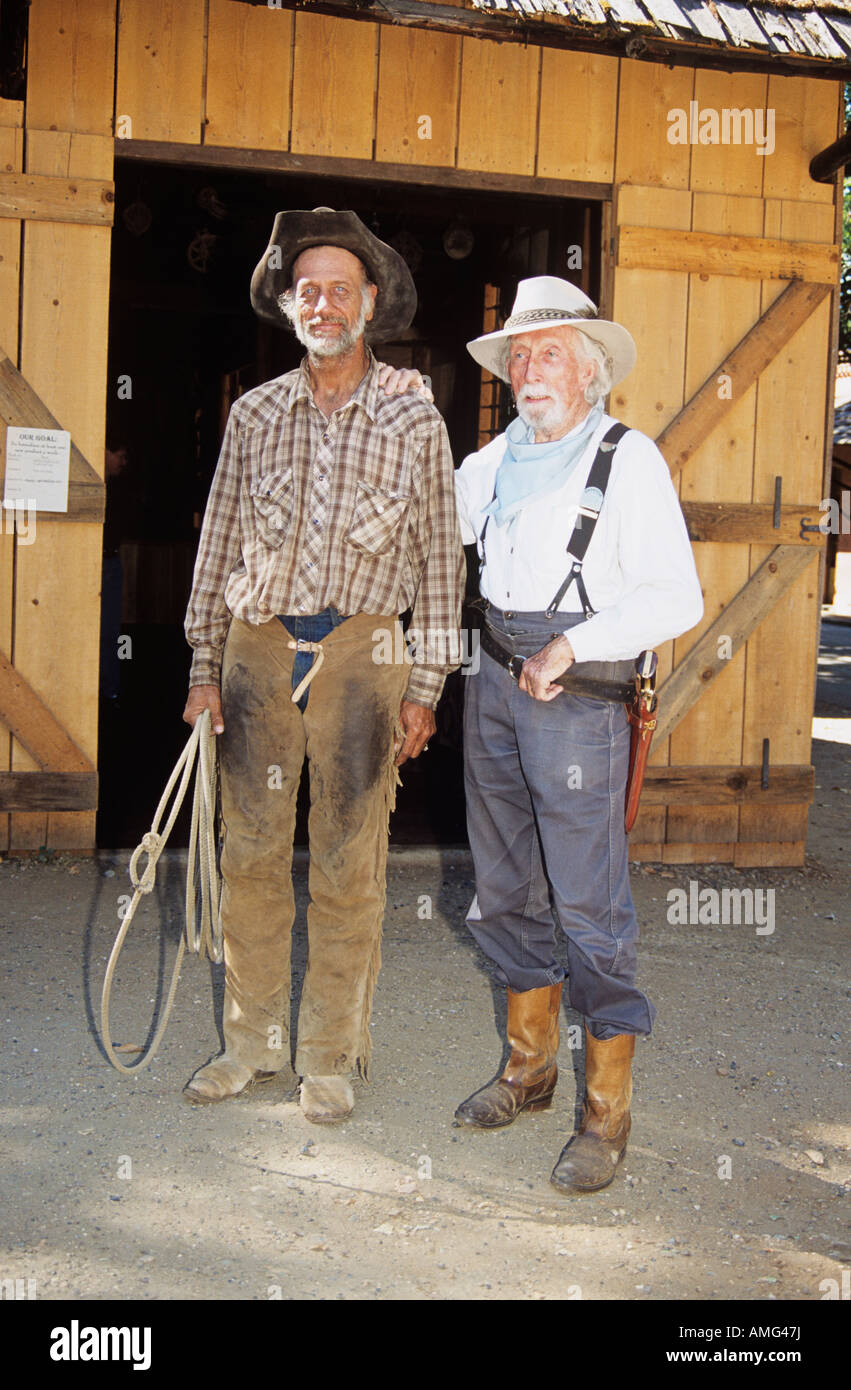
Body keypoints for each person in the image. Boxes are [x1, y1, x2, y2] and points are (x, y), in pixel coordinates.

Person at [182, 208, 465, 1121]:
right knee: (252, 852)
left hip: (364, 651)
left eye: (341, 288)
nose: (324, 302)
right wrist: (200, 663)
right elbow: (217, 538)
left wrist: (426, 684)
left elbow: (441, 560)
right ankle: (249, 1043)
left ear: (371, 304)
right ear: (289, 305)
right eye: (309, 289)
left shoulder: (415, 417)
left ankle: (330, 1056)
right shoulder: (254, 415)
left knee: (348, 858)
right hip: (257, 651)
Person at [453, 276, 704, 1192]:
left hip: (581, 699)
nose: (528, 368)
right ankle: (527, 1068)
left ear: (590, 372)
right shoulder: (489, 463)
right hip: (491, 684)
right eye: (518, 354)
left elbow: (677, 597)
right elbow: (422, 532)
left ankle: (606, 1112)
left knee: (589, 907)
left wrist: (573, 645)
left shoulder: (627, 459)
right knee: (501, 886)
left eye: (548, 350)